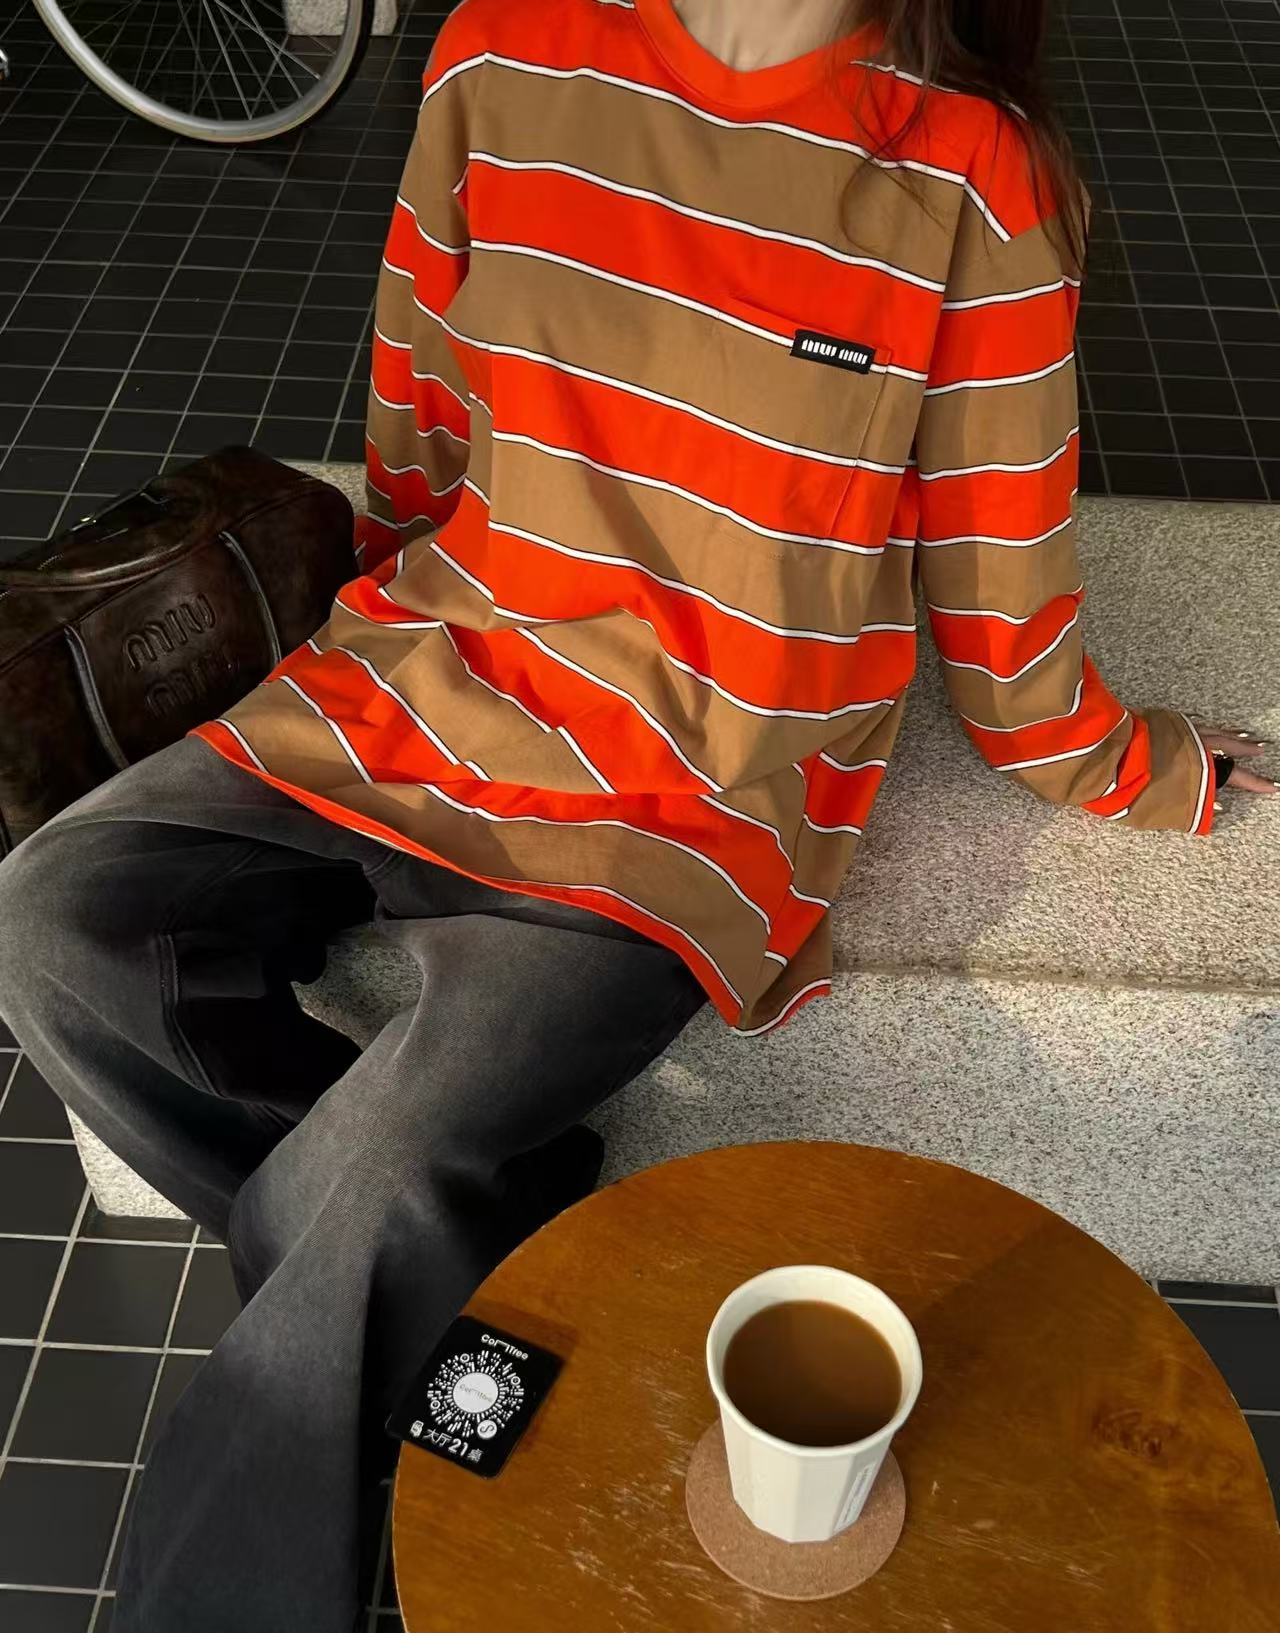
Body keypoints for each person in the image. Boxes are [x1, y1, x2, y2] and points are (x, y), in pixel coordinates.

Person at [0, 1, 1273, 1628]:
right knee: (51, 918)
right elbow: (422, 405)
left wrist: (1134, 765)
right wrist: (387, 617)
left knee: (384, 1161)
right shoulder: (500, 52)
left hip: (687, 796)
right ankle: (470, 1267)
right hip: (429, 675)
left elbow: (1001, 581)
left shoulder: (972, 175)